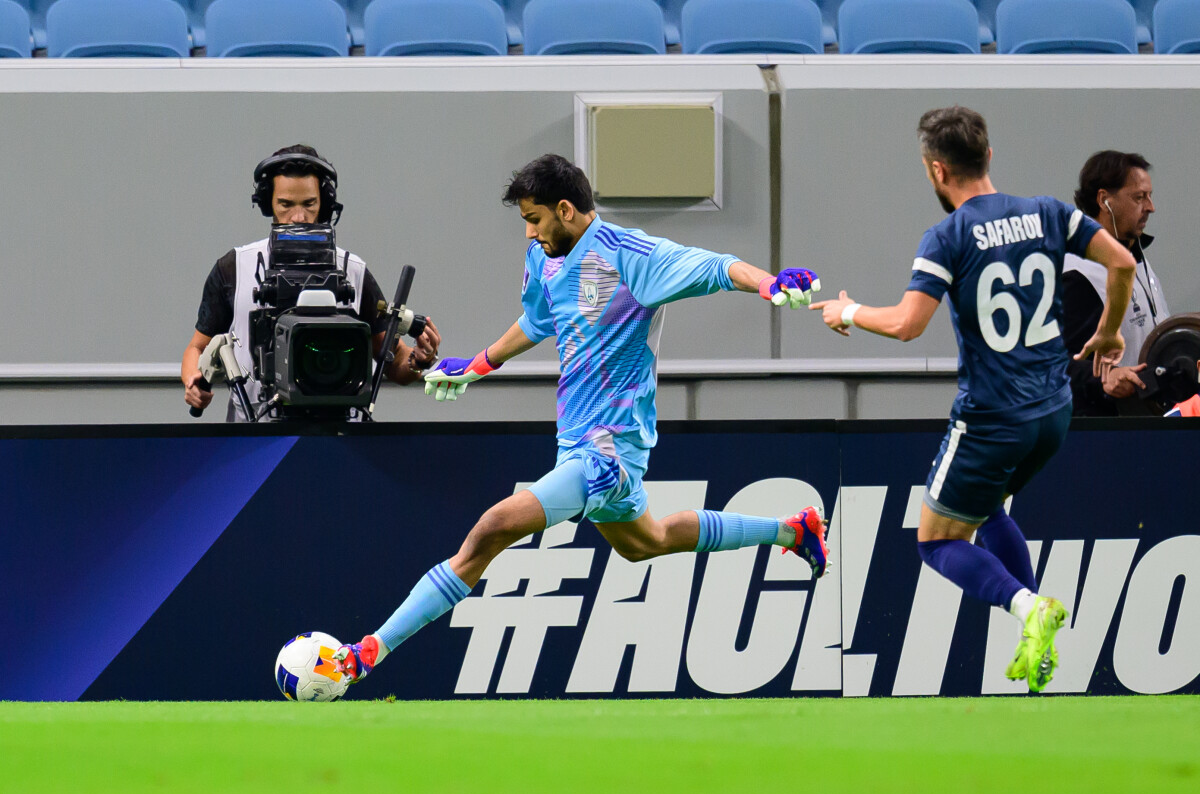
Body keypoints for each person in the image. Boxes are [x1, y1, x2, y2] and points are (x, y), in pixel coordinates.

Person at [330, 153, 829, 686]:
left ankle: (366, 653)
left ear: (565, 210)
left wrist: (770, 283)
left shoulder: (630, 255)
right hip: (575, 443)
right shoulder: (543, 258)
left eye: (534, 218)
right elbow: (538, 321)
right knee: (648, 542)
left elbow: (716, 267)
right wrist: (476, 366)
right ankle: (792, 530)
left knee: (492, 530)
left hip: (609, 449)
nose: (528, 231)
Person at [810, 106, 1136, 693]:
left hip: (993, 418)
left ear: (936, 170)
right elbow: (1122, 261)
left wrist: (848, 311)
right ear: (988, 155)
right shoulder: (1048, 213)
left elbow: (908, 324)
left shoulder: (948, 236)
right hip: (1054, 411)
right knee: (987, 510)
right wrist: (1110, 331)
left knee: (936, 541)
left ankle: (1029, 608)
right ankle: (1036, 633)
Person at [181, 144, 442, 420]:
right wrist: (193, 380)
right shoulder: (234, 268)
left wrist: (419, 360)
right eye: (286, 204)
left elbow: (395, 360)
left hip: (340, 431)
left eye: (309, 204)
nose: (298, 217)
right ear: (268, 203)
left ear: (324, 204)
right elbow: (197, 347)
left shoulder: (353, 271)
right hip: (254, 431)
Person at [1063, 151, 1169, 415]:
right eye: (1139, 198)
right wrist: (1104, 378)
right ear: (1104, 200)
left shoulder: (1138, 260)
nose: (1150, 207)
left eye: (1149, 196)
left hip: (1153, 420)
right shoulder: (1078, 273)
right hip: (1105, 429)